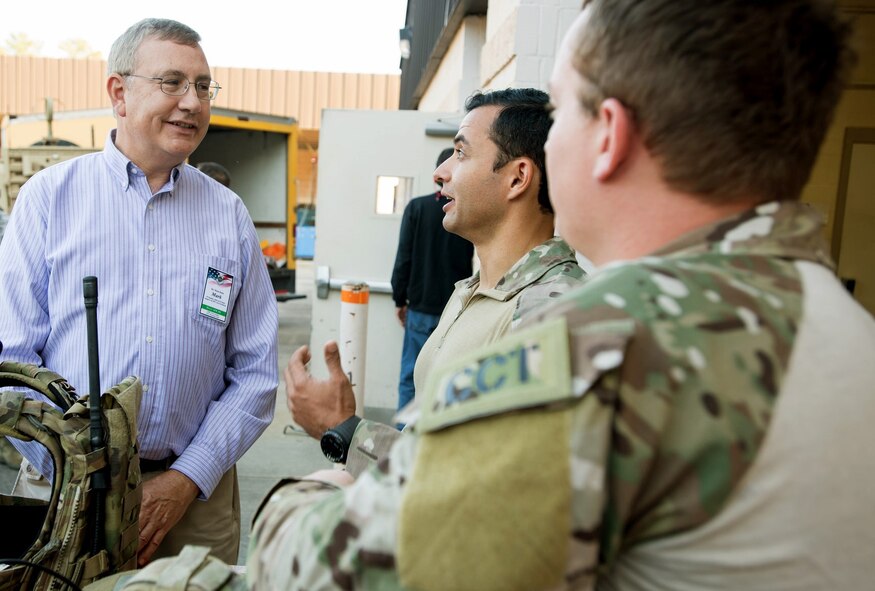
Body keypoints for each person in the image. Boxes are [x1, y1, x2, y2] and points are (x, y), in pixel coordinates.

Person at [247, 0, 875, 588]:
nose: (550, 143)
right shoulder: (842, 326)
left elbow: (330, 568)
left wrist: (313, 493)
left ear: (610, 135)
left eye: (564, 109)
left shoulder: (615, 342)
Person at [0, 19, 278, 567]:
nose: (192, 102)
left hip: (193, 501)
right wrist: (73, 470)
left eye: (203, 87)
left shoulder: (229, 216)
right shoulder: (50, 200)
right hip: (62, 496)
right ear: (118, 93)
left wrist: (185, 478)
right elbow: (10, 358)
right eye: (172, 82)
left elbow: (255, 374)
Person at [286, 88, 585, 473]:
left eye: (461, 153)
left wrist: (344, 429)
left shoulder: (551, 310)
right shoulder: (472, 292)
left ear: (517, 179)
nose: (441, 172)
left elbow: (482, 483)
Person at [391, 147, 475, 417]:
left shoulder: (417, 207)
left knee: (410, 375)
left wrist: (399, 299)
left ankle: (404, 436)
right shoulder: (470, 212)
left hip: (419, 307)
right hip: (454, 310)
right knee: (445, 377)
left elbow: (404, 257)